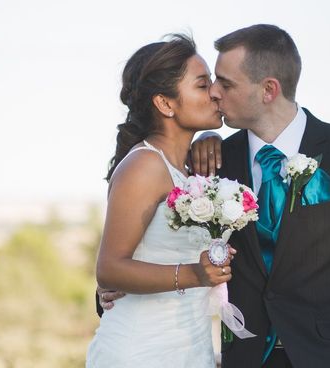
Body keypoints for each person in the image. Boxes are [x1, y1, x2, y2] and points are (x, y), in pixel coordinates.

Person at [100, 24, 330, 368]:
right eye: (207, 83)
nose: (215, 93)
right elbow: (135, 250)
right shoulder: (210, 166)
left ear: (268, 90)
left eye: (225, 83)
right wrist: (108, 293)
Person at [86, 34, 235, 368]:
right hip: (140, 351)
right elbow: (109, 269)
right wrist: (196, 274)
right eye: (202, 84)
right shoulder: (144, 166)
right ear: (166, 104)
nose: (214, 92)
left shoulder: (190, 170)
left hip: (190, 348)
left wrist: (212, 139)